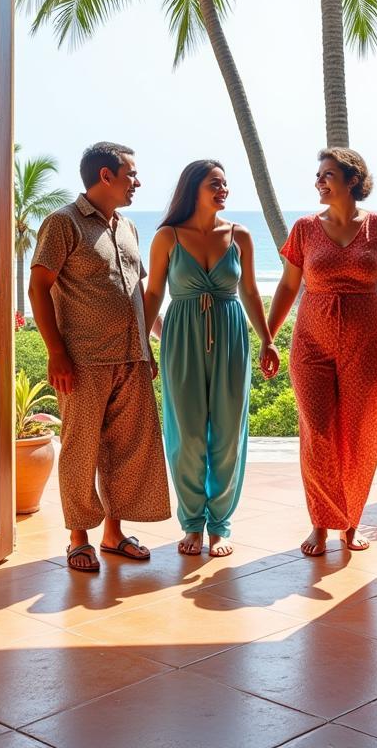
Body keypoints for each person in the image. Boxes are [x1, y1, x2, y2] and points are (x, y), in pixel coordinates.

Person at [28, 141, 171, 573]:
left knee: (126, 450)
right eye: (131, 174)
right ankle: (78, 538)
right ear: (105, 176)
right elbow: (38, 288)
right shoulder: (62, 224)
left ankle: (113, 533)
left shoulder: (127, 227)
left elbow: (138, 294)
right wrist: (56, 352)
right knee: (80, 450)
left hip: (131, 358)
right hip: (84, 360)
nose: (137, 182)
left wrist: (151, 345)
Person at [267, 148, 377, 557]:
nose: (319, 182)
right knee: (318, 432)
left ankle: (349, 520)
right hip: (311, 342)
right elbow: (288, 286)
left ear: (352, 180)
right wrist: (269, 336)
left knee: (360, 432)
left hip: (365, 343)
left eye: (327, 174)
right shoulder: (304, 229)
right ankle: (320, 523)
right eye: (317, 175)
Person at [143, 160, 279, 557]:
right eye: (214, 183)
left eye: (225, 183)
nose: (223, 189)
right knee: (185, 435)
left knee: (227, 433)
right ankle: (192, 523)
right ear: (193, 189)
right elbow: (153, 295)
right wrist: (142, 344)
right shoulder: (167, 237)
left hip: (232, 337)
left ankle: (219, 523)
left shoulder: (241, 236)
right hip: (180, 338)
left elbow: (251, 293)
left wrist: (267, 340)